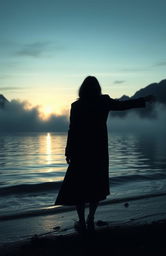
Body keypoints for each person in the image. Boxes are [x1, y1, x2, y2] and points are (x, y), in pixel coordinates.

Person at [55, 76, 154, 232]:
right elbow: (123, 105)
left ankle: (81, 221)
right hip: (98, 150)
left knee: (79, 187)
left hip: (80, 151)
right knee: (96, 185)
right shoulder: (103, 101)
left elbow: (72, 130)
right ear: (97, 88)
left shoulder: (76, 106)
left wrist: (68, 151)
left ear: (82, 89)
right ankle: (90, 219)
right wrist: (143, 100)